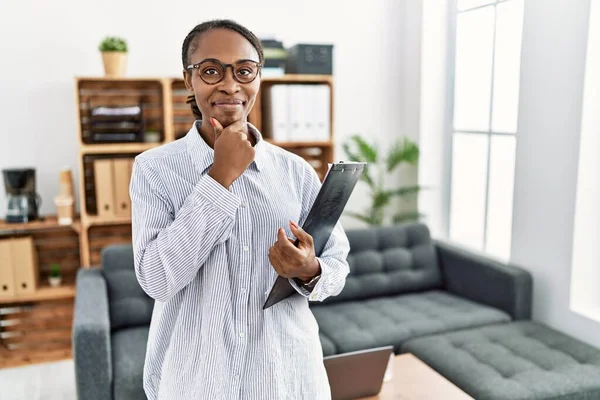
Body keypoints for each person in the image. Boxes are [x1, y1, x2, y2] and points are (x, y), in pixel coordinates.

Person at [129, 19, 351, 400]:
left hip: (285, 377)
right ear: (189, 80)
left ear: (258, 79)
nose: (230, 85)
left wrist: (309, 269)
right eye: (211, 71)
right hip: (199, 382)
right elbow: (156, 280)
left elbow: (337, 267)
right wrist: (220, 178)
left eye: (244, 71)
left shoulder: (295, 171)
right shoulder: (154, 169)